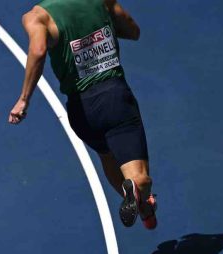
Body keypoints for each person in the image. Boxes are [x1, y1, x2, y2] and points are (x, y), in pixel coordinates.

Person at [9, 0, 157, 229]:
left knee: (106, 153)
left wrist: (24, 99)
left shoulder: (37, 16)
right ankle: (135, 188)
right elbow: (131, 30)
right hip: (115, 99)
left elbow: (38, 51)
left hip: (81, 111)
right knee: (140, 177)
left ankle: (144, 207)